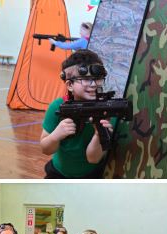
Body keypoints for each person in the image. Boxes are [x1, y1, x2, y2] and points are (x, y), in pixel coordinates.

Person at [40, 49, 113, 179]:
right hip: (58, 173)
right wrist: (56, 135)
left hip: (91, 175)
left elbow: (93, 159)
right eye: (86, 79)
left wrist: (98, 134)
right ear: (69, 85)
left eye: (97, 78)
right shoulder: (58, 107)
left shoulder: (106, 110)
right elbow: (46, 149)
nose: (93, 84)